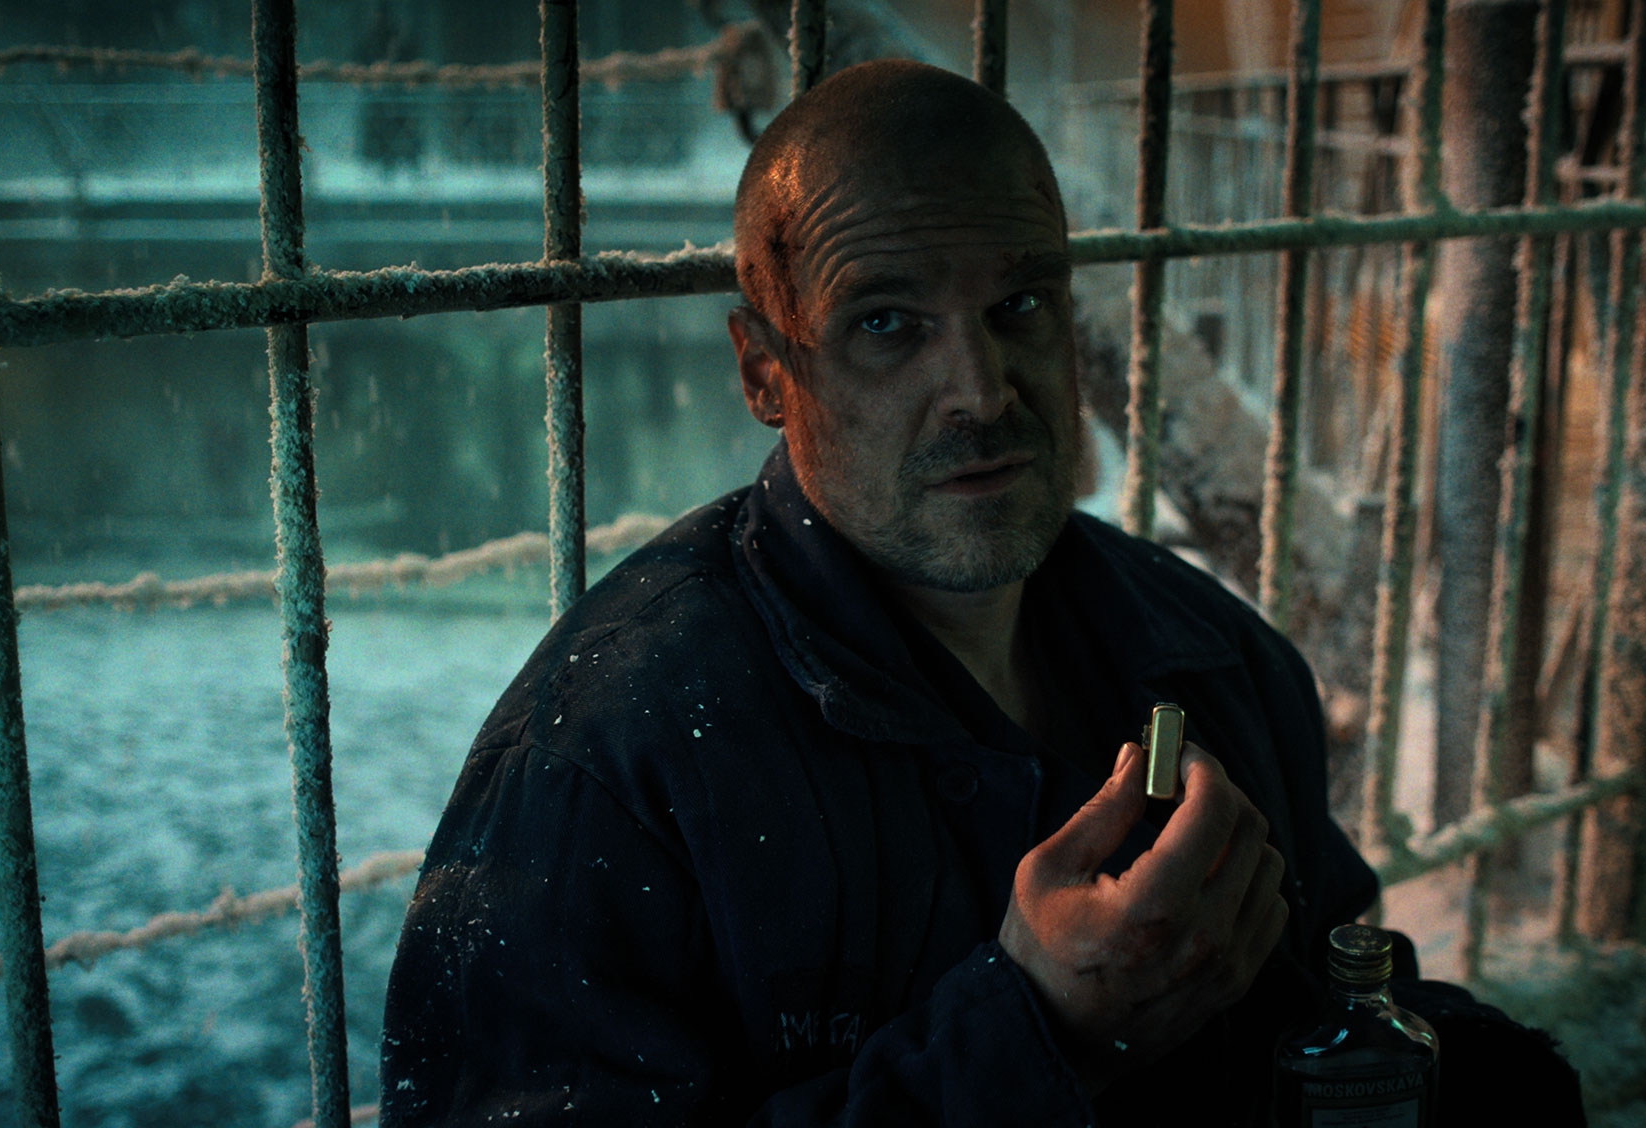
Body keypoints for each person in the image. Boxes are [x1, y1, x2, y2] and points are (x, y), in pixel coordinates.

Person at [380, 60, 1582, 1126]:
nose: (983, 389)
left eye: (1020, 306)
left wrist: (1476, 1077)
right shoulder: (606, 759)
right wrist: (1039, 1036)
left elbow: (1337, 1021)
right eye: (888, 323)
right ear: (764, 370)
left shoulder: (1216, 655)